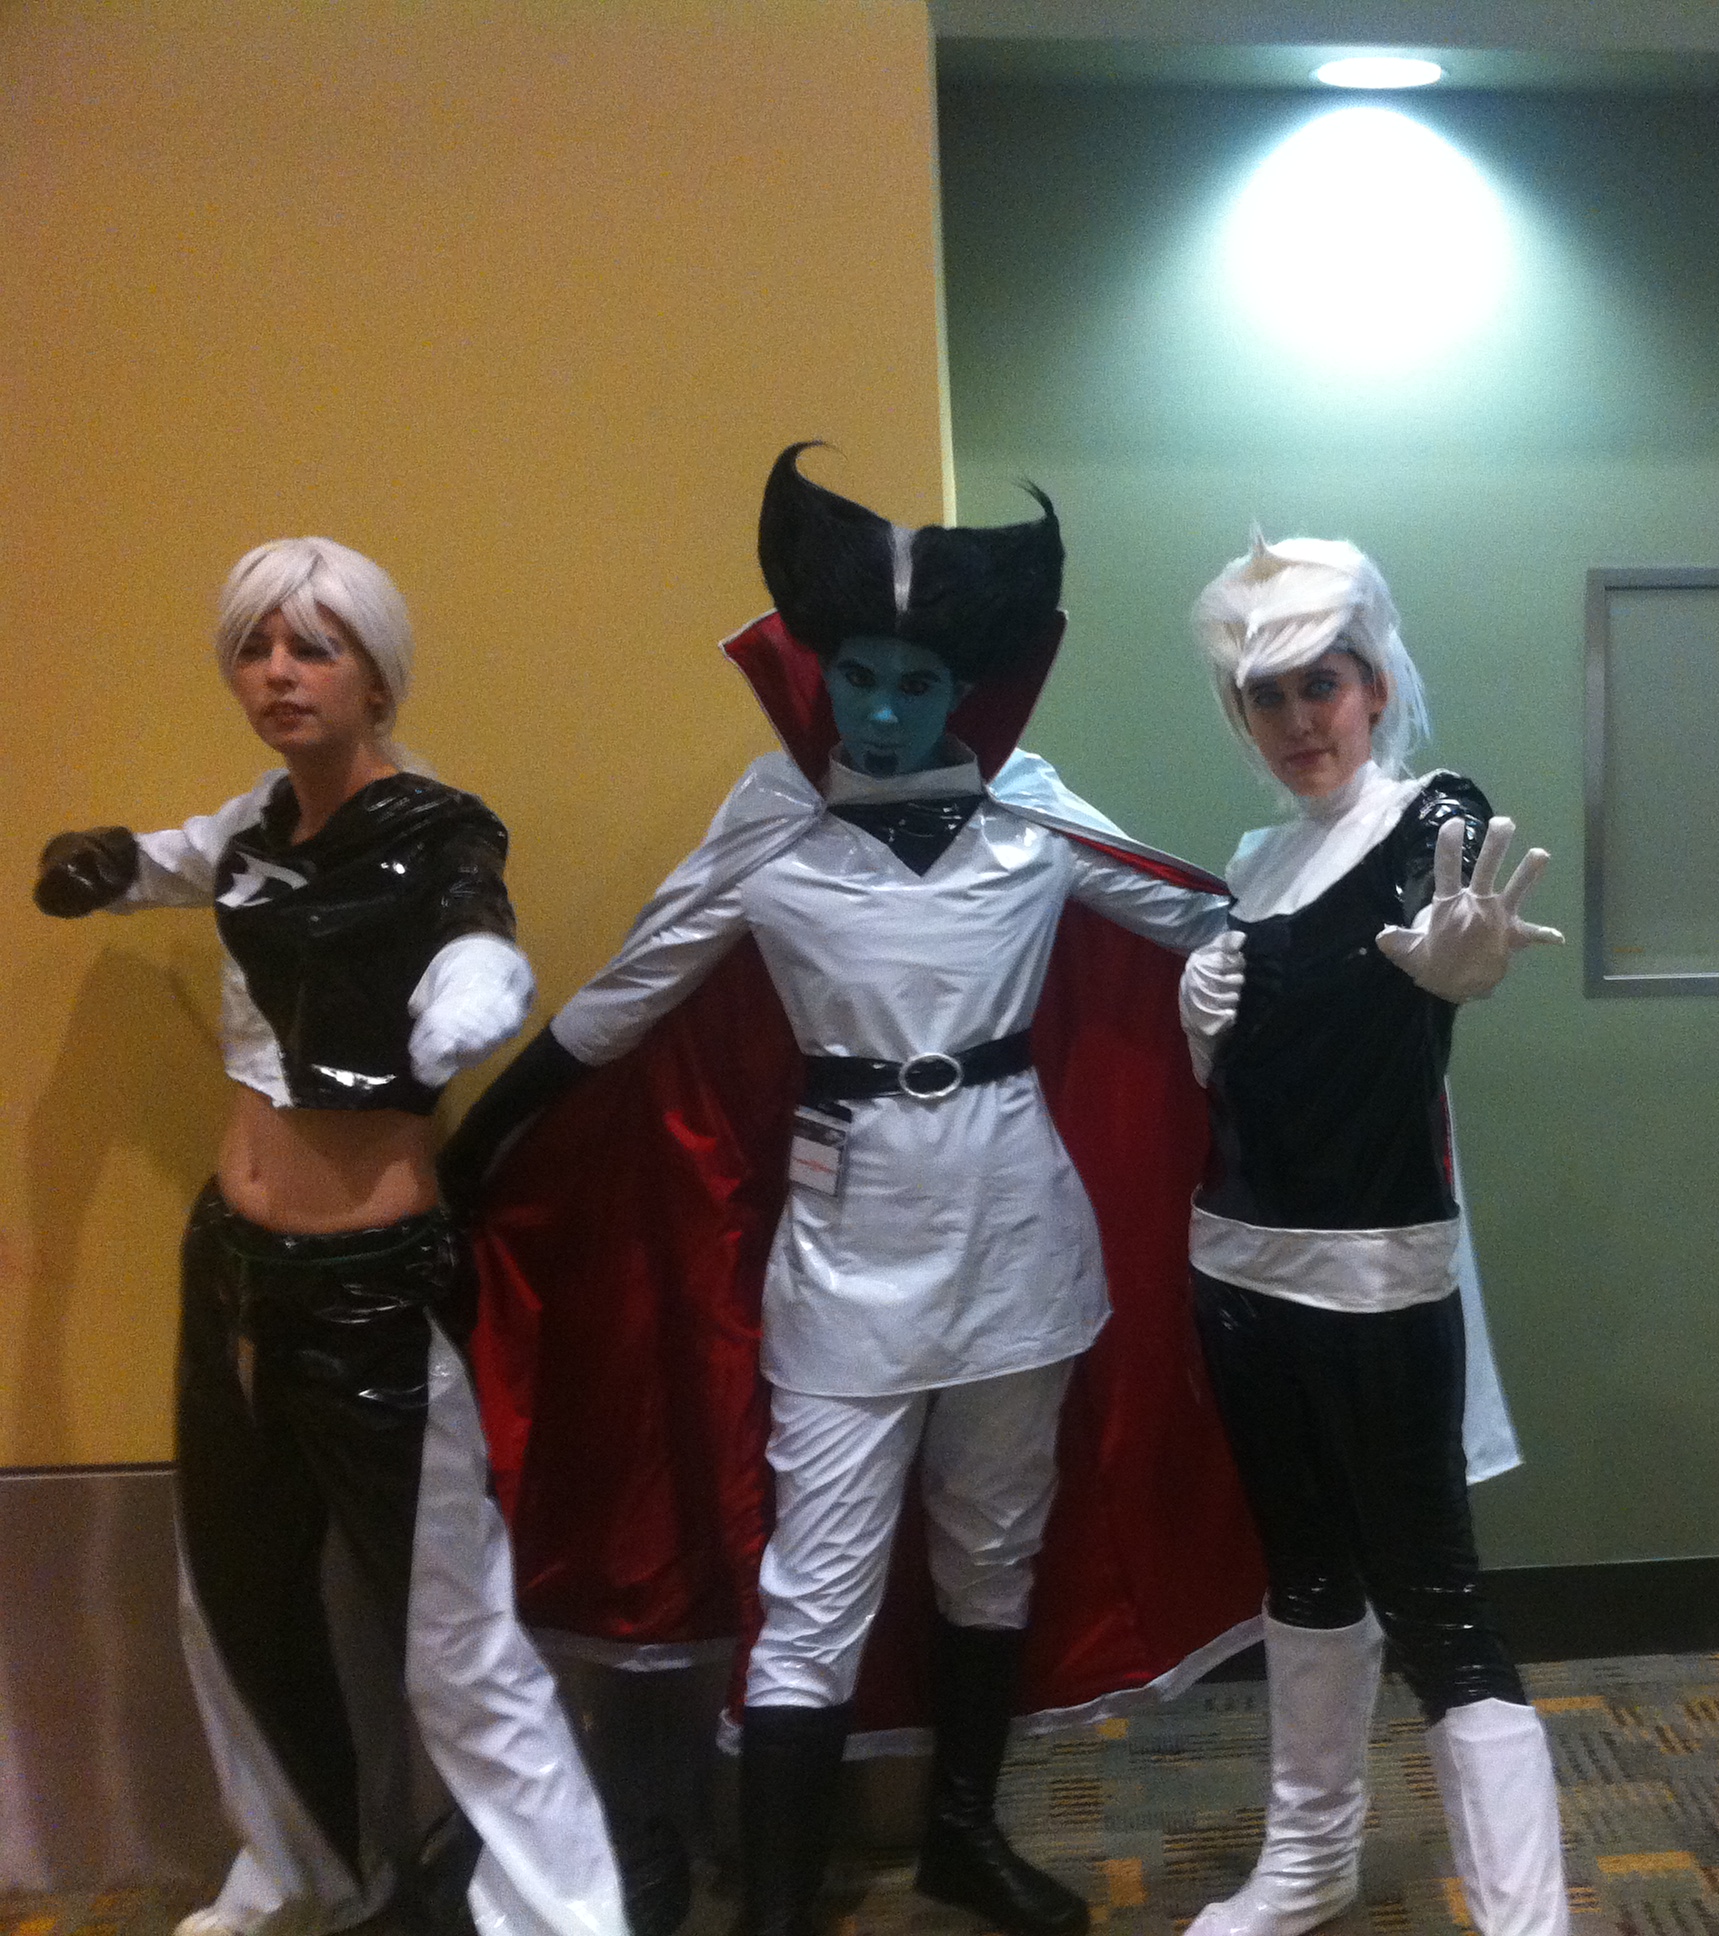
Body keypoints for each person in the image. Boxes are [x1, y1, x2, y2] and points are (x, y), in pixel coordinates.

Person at [441, 447, 1230, 1936]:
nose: (880, 708)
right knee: (814, 1590)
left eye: (914, 684)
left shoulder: (1033, 813)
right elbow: (627, 998)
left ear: (962, 691)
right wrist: (479, 1149)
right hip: (847, 1259)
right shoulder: (770, 817)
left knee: (993, 1553)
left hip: (1019, 1243)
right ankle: (780, 1909)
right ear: (823, 671)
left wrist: (1367, 931)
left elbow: (1202, 918)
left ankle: (960, 1839)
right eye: (859, 675)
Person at [31, 538, 626, 1936]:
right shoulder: (254, 826)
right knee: (234, 1595)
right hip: (234, 1274)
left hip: (373, 1293)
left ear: (376, 675)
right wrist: (98, 866)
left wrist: (479, 983)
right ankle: (302, 1866)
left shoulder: (443, 827)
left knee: (454, 1636)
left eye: (313, 647)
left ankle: (565, 1916)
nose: (278, 674)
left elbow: (480, 922)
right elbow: (167, 863)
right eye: (254, 648)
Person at [1173, 534, 1568, 1936]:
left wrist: (1455, 966)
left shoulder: (1430, 820)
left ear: (1377, 684)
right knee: (1306, 1573)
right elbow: (1278, 1075)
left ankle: (1528, 1920)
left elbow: (1439, 919)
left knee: (1437, 1601)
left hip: (1373, 1280)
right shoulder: (1256, 860)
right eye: (1266, 696)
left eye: (1321, 686)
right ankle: (1310, 1859)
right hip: (1236, 1268)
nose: (1298, 722)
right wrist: (1203, 1021)